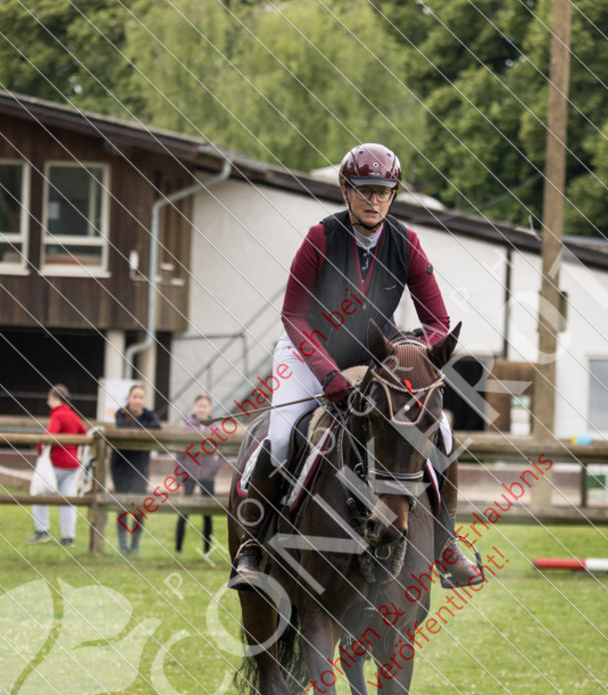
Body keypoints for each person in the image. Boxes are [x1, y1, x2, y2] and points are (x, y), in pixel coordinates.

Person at [230, 142, 482, 589]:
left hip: (373, 359)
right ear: (346, 191)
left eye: (383, 191)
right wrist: (328, 376)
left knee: (440, 431)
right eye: (364, 190)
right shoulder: (321, 237)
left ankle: (447, 546)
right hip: (308, 353)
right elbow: (293, 316)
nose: (374, 200)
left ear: (393, 194)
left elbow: (438, 323)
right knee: (285, 434)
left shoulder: (406, 242)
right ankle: (253, 543)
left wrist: (410, 355)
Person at [28, 384, 87, 545]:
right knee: (68, 501)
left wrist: (39, 449)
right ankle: (68, 537)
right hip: (73, 464)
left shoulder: (57, 415)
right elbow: (85, 434)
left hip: (57, 463)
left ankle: (42, 531)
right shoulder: (74, 416)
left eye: (49, 399)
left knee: (39, 494)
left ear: (53, 398)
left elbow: (49, 436)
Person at [111, 383, 161, 554]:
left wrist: (139, 429)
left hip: (140, 466)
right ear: (129, 398)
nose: (138, 401)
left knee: (139, 506)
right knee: (122, 504)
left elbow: (157, 430)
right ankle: (123, 544)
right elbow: (123, 431)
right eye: (135, 397)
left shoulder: (149, 415)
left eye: (141, 397)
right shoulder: (121, 413)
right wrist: (142, 432)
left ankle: (135, 545)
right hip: (121, 466)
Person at [175, 394, 221, 556]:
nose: (202, 409)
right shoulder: (186, 427)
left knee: (207, 514)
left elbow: (225, 451)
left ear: (210, 408)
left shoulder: (216, 427)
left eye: (205, 406)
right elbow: (179, 456)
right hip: (189, 476)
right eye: (199, 405)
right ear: (194, 406)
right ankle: (178, 550)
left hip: (207, 477)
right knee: (183, 513)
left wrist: (214, 466)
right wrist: (179, 480)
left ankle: (207, 550)